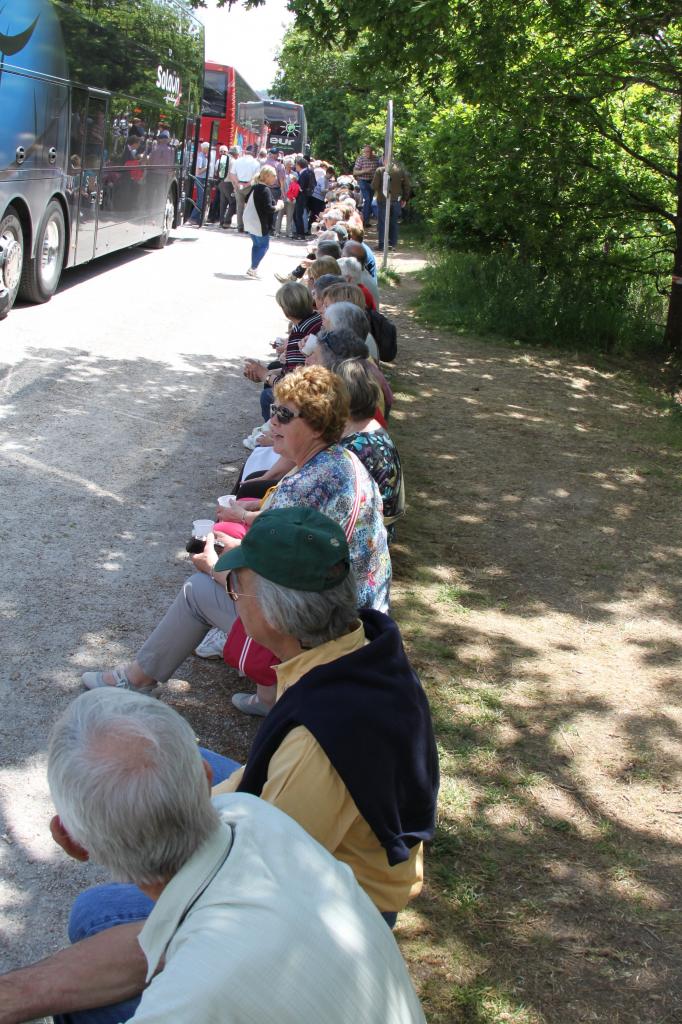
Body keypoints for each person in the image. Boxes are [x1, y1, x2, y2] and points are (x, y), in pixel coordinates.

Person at [0, 684, 428, 1023]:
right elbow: (175, 944)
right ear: (205, 777)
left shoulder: (188, 1002)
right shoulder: (253, 813)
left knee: (83, 1002)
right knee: (94, 918)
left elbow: (194, 974)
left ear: (76, 842)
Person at [81, 367, 391, 708]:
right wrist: (247, 524)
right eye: (274, 410)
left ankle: (137, 679)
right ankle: (270, 696)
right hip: (359, 623)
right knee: (231, 538)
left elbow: (272, 585)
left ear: (317, 426)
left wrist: (216, 567)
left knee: (197, 590)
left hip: (323, 633)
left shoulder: (302, 486)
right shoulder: (341, 461)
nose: (273, 421)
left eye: (285, 415)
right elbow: (293, 556)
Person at [243, 282, 322, 418]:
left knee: (267, 396)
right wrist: (264, 373)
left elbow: (291, 383)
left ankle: (275, 428)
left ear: (286, 311)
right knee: (272, 370)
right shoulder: (316, 319)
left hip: (308, 391)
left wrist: (264, 375)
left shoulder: (300, 334)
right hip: (313, 379)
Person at [243, 166, 282, 279]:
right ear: (267, 176)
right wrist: (279, 206)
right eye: (273, 176)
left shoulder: (255, 187)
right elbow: (268, 208)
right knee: (264, 245)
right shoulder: (265, 190)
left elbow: (246, 200)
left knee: (256, 245)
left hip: (249, 219)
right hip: (258, 221)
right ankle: (253, 268)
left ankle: (253, 268)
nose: (275, 178)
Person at [371, 161, 411, 251]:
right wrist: (404, 198)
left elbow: (374, 186)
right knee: (394, 222)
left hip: (382, 199)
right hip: (396, 200)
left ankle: (382, 244)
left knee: (382, 222)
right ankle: (393, 244)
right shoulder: (401, 171)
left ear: (384, 159)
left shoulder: (380, 170)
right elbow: (407, 186)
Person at [233, 144, 260, 232]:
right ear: (253, 153)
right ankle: (247, 227)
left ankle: (240, 226)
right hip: (250, 186)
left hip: (239, 185)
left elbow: (232, 174)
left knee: (239, 207)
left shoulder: (237, 161)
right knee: (249, 208)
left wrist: (237, 183)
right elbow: (256, 177)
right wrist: (248, 184)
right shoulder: (256, 163)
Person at [352, 145, 381, 225]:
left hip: (372, 182)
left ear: (372, 152)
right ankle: (365, 221)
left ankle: (366, 220)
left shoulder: (376, 159)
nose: (367, 153)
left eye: (369, 151)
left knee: (370, 201)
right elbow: (355, 172)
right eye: (366, 152)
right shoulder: (360, 159)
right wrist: (364, 171)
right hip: (363, 181)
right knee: (367, 199)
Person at [188, 141, 210, 225]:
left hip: (202, 179)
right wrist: (207, 167)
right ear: (204, 148)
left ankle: (197, 218)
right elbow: (198, 172)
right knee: (201, 199)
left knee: (201, 199)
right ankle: (193, 218)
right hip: (200, 179)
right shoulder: (200, 157)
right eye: (208, 148)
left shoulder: (204, 156)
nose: (208, 150)